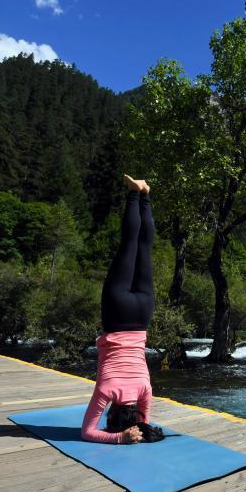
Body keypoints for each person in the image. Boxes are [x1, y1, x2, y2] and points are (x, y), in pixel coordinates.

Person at [81, 174, 155, 445]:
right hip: (117, 313)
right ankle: (134, 193)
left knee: (145, 249)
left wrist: (136, 429)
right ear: (112, 415)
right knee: (129, 246)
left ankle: (145, 195)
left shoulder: (145, 391)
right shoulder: (106, 391)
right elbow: (87, 433)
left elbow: (144, 424)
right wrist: (120, 439)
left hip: (143, 314)